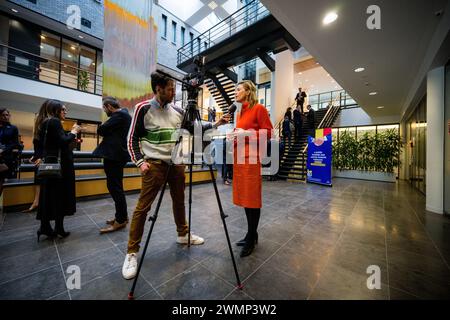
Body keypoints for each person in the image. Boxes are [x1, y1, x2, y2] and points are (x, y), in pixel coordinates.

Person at [122, 71, 230, 280]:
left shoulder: (179, 111)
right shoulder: (142, 108)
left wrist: (215, 124)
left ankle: (183, 234)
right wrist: (140, 162)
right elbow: (131, 139)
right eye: (170, 88)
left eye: (174, 88)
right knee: (143, 208)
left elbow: (194, 128)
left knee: (179, 201)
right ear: (158, 89)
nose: (173, 92)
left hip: (177, 163)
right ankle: (131, 253)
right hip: (154, 165)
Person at [232, 80, 273, 257]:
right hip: (239, 159)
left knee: (252, 198)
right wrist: (234, 136)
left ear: (248, 91)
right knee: (245, 198)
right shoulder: (240, 112)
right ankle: (251, 234)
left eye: (238, 89)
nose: (235, 92)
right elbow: (242, 134)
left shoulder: (259, 109)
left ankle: (251, 239)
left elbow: (269, 132)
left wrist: (246, 133)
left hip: (251, 159)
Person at [36, 100, 81, 241]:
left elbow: (51, 143)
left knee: (49, 196)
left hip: (50, 165)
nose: (65, 112)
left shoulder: (45, 122)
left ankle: (45, 227)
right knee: (60, 196)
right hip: (61, 167)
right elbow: (62, 141)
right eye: (63, 109)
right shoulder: (54, 122)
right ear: (55, 110)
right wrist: (73, 132)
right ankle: (58, 228)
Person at [93, 97, 132, 234]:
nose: (104, 111)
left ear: (109, 106)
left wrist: (105, 127)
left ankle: (120, 220)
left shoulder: (119, 115)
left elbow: (101, 130)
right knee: (116, 187)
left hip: (114, 156)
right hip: (116, 156)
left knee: (114, 187)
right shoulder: (123, 115)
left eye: (104, 108)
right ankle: (122, 216)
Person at [23, 102, 49, 213]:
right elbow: (41, 143)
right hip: (41, 157)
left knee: (40, 180)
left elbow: (42, 142)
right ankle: (37, 202)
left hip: (43, 157)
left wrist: (40, 156)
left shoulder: (44, 122)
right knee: (40, 180)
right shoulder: (44, 122)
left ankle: (37, 202)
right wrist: (38, 155)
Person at [0, 108, 22, 198]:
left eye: (7, 115)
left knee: (2, 180)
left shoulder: (13, 128)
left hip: (6, 157)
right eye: (3, 115)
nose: (5, 117)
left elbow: (15, 143)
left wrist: (3, 149)